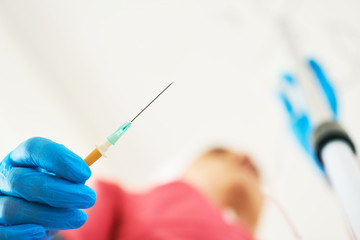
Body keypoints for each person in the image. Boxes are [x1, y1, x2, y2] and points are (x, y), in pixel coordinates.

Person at [0, 59, 335, 240]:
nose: (247, 159)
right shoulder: (120, 201)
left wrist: (338, 164)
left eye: (257, 172)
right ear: (182, 170)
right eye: (220, 153)